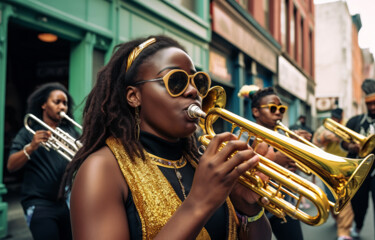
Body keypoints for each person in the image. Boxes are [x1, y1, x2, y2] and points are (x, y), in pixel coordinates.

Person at [60, 35, 273, 239]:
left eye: (197, 82)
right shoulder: (101, 169)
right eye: (176, 81)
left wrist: (248, 208)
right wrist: (199, 203)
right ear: (134, 97)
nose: (193, 92)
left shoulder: (201, 161)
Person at [7, 82, 79, 240]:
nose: (62, 107)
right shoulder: (28, 132)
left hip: (65, 202)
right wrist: (31, 146)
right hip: (38, 203)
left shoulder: (71, 131)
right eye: (57, 102)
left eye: (65, 103)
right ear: (43, 105)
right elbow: (11, 165)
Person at [238, 85, 305, 240]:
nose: (278, 113)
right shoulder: (243, 135)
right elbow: (240, 175)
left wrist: (295, 161)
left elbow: (293, 170)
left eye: (281, 110)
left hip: (284, 203)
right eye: (272, 108)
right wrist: (275, 160)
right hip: (256, 208)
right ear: (256, 112)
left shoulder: (283, 135)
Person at [312, 108, 353, 240]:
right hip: (329, 167)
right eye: (333, 117)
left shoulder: (347, 124)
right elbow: (315, 143)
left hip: (345, 165)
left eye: (337, 117)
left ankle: (344, 232)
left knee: (345, 199)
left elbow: (353, 141)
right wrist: (324, 137)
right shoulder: (325, 126)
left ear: (342, 117)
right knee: (331, 199)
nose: (335, 119)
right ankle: (338, 219)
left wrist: (339, 137)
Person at [342, 79, 375, 239]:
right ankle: (359, 224)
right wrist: (351, 147)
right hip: (358, 171)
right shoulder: (355, 121)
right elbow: (343, 141)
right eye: (370, 104)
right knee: (359, 205)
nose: (373, 107)